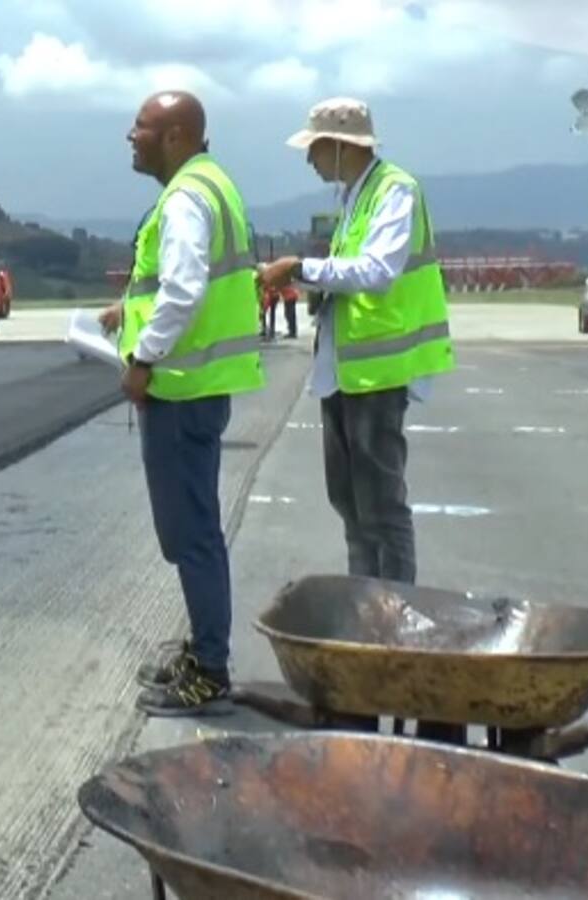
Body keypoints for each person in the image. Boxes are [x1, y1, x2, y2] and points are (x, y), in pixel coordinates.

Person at [99, 91, 265, 715]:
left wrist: (143, 358)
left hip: (180, 391)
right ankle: (204, 647)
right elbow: (185, 283)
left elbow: (187, 285)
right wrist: (127, 313)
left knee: (190, 531)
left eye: (140, 126)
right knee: (193, 527)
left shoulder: (187, 197)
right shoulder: (211, 183)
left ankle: (212, 669)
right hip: (198, 388)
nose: (130, 136)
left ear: (173, 136)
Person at [259, 97, 454, 586]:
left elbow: (377, 270)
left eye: (316, 148)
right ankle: (364, 605)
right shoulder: (355, 197)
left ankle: (393, 613)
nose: (310, 160)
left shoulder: (395, 191)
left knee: (381, 508)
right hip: (345, 372)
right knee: (349, 504)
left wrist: (302, 269)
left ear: (343, 147)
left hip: (377, 374)